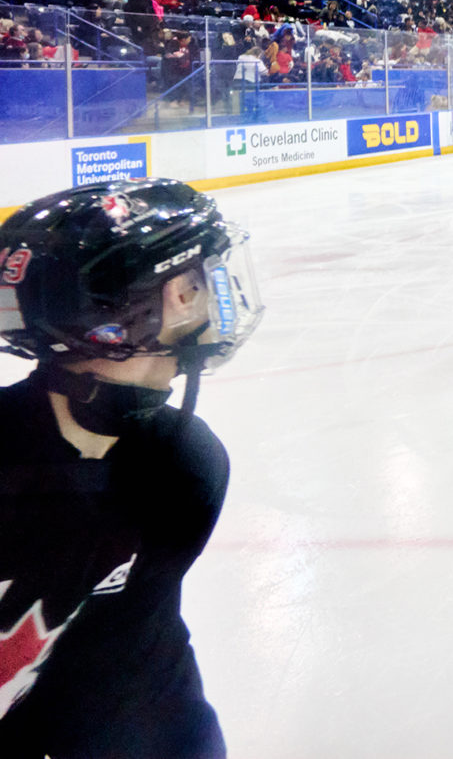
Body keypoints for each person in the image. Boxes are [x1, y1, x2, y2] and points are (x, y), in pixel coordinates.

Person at [0, 179, 264, 758]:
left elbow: (136, 655)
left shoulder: (186, 467)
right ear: (135, 309)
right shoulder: (187, 467)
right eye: (194, 280)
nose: (212, 292)